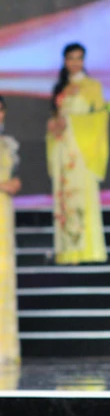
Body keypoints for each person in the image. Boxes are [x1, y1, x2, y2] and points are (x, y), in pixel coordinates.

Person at [46, 43, 109, 265]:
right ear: (65, 61)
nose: (75, 62)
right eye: (71, 58)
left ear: (84, 60)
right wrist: (54, 126)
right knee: (65, 197)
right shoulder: (60, 88)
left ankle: (88, 251)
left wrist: (70, 121)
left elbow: (100, 119)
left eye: (79, 58)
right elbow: (54, 118)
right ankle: (68, 252)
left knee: (82, 195)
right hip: (64, 149)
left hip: (82, 150)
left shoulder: (93, 86)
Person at [0, 96, 21, 362]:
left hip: (4, 212)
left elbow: (14, 180)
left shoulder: (9, 143)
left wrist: (12, 184)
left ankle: (4, 349)